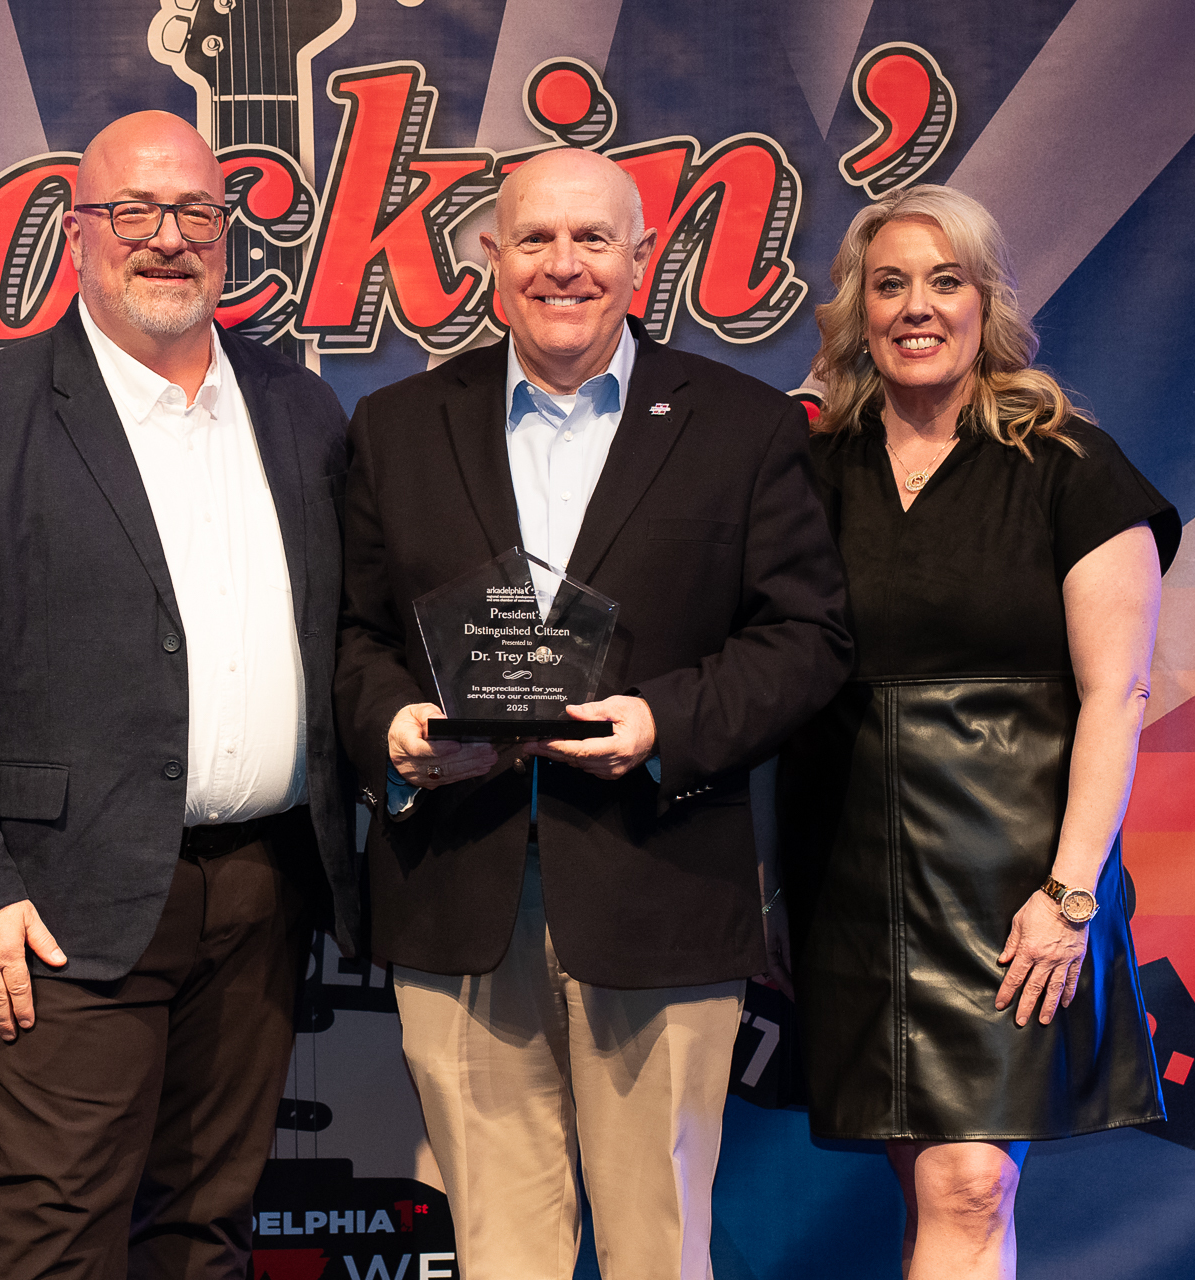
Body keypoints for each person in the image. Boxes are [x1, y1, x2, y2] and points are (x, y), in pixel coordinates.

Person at [335, 146, 852, 1279]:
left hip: (659, 883)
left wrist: (665, 723)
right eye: (535, 238)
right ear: (491, 257)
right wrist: (395, 730)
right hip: (457, 887)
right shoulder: (396, 425)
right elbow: (355, 635)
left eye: (592, 239)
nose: (562, 264)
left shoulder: (743, 426)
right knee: (498, 1252)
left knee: (658, 1248)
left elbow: (807, 637)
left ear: (641, 257)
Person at [0, 111, 358, 1279]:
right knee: (55, 1233)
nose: (167, 237)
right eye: (134, 210)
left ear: (227, 231)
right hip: (54, 903)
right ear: (76, 228)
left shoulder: (301, 409)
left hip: (265, 886)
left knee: (208, 1227)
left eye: (195, 211)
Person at [778, 184, 1178, 1279]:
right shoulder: (808, 469)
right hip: (851, 880)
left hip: (1016, 884)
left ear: (986, 302)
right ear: (858, 310)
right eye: (889, 284)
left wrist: (1070, 894)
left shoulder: (1071, 464)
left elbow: (1119, 693)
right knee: (925, 1177)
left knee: (972, 1181)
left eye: (944, 281)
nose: (917, 306)